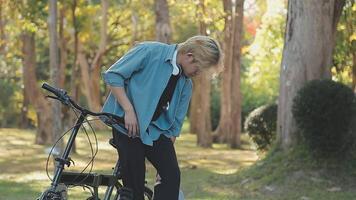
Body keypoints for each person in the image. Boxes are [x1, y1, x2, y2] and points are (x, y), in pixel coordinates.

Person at [101, 35, 222, 200]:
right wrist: (129, 110)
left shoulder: (186, 85)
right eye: (199, 68)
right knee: (134, 186)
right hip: (126, 126)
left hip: (154, 132)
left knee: (171, 176)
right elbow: (114, 75)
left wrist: (164, 162)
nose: (198, 73)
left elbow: (174, 128)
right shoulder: (149, 51)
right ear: (189, 56)